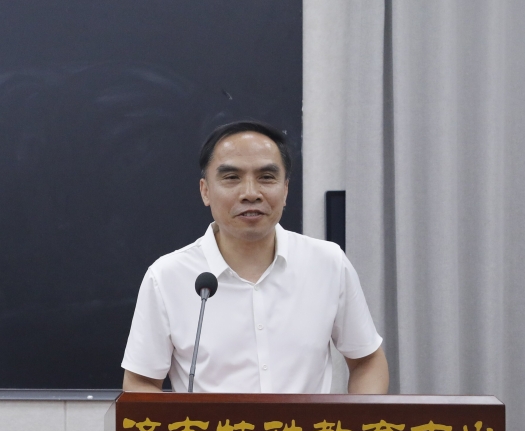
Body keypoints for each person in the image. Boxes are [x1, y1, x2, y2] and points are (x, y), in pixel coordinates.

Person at [121, 121, 389, 394]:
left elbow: (367, 361)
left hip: (306, 425)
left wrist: (357, 420)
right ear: (205, 191)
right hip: (211, 425)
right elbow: (140, 381)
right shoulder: (167, 277)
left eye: (266, 177)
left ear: (285, 190)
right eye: (231, 177)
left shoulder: (328, 263)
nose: (250, 193)